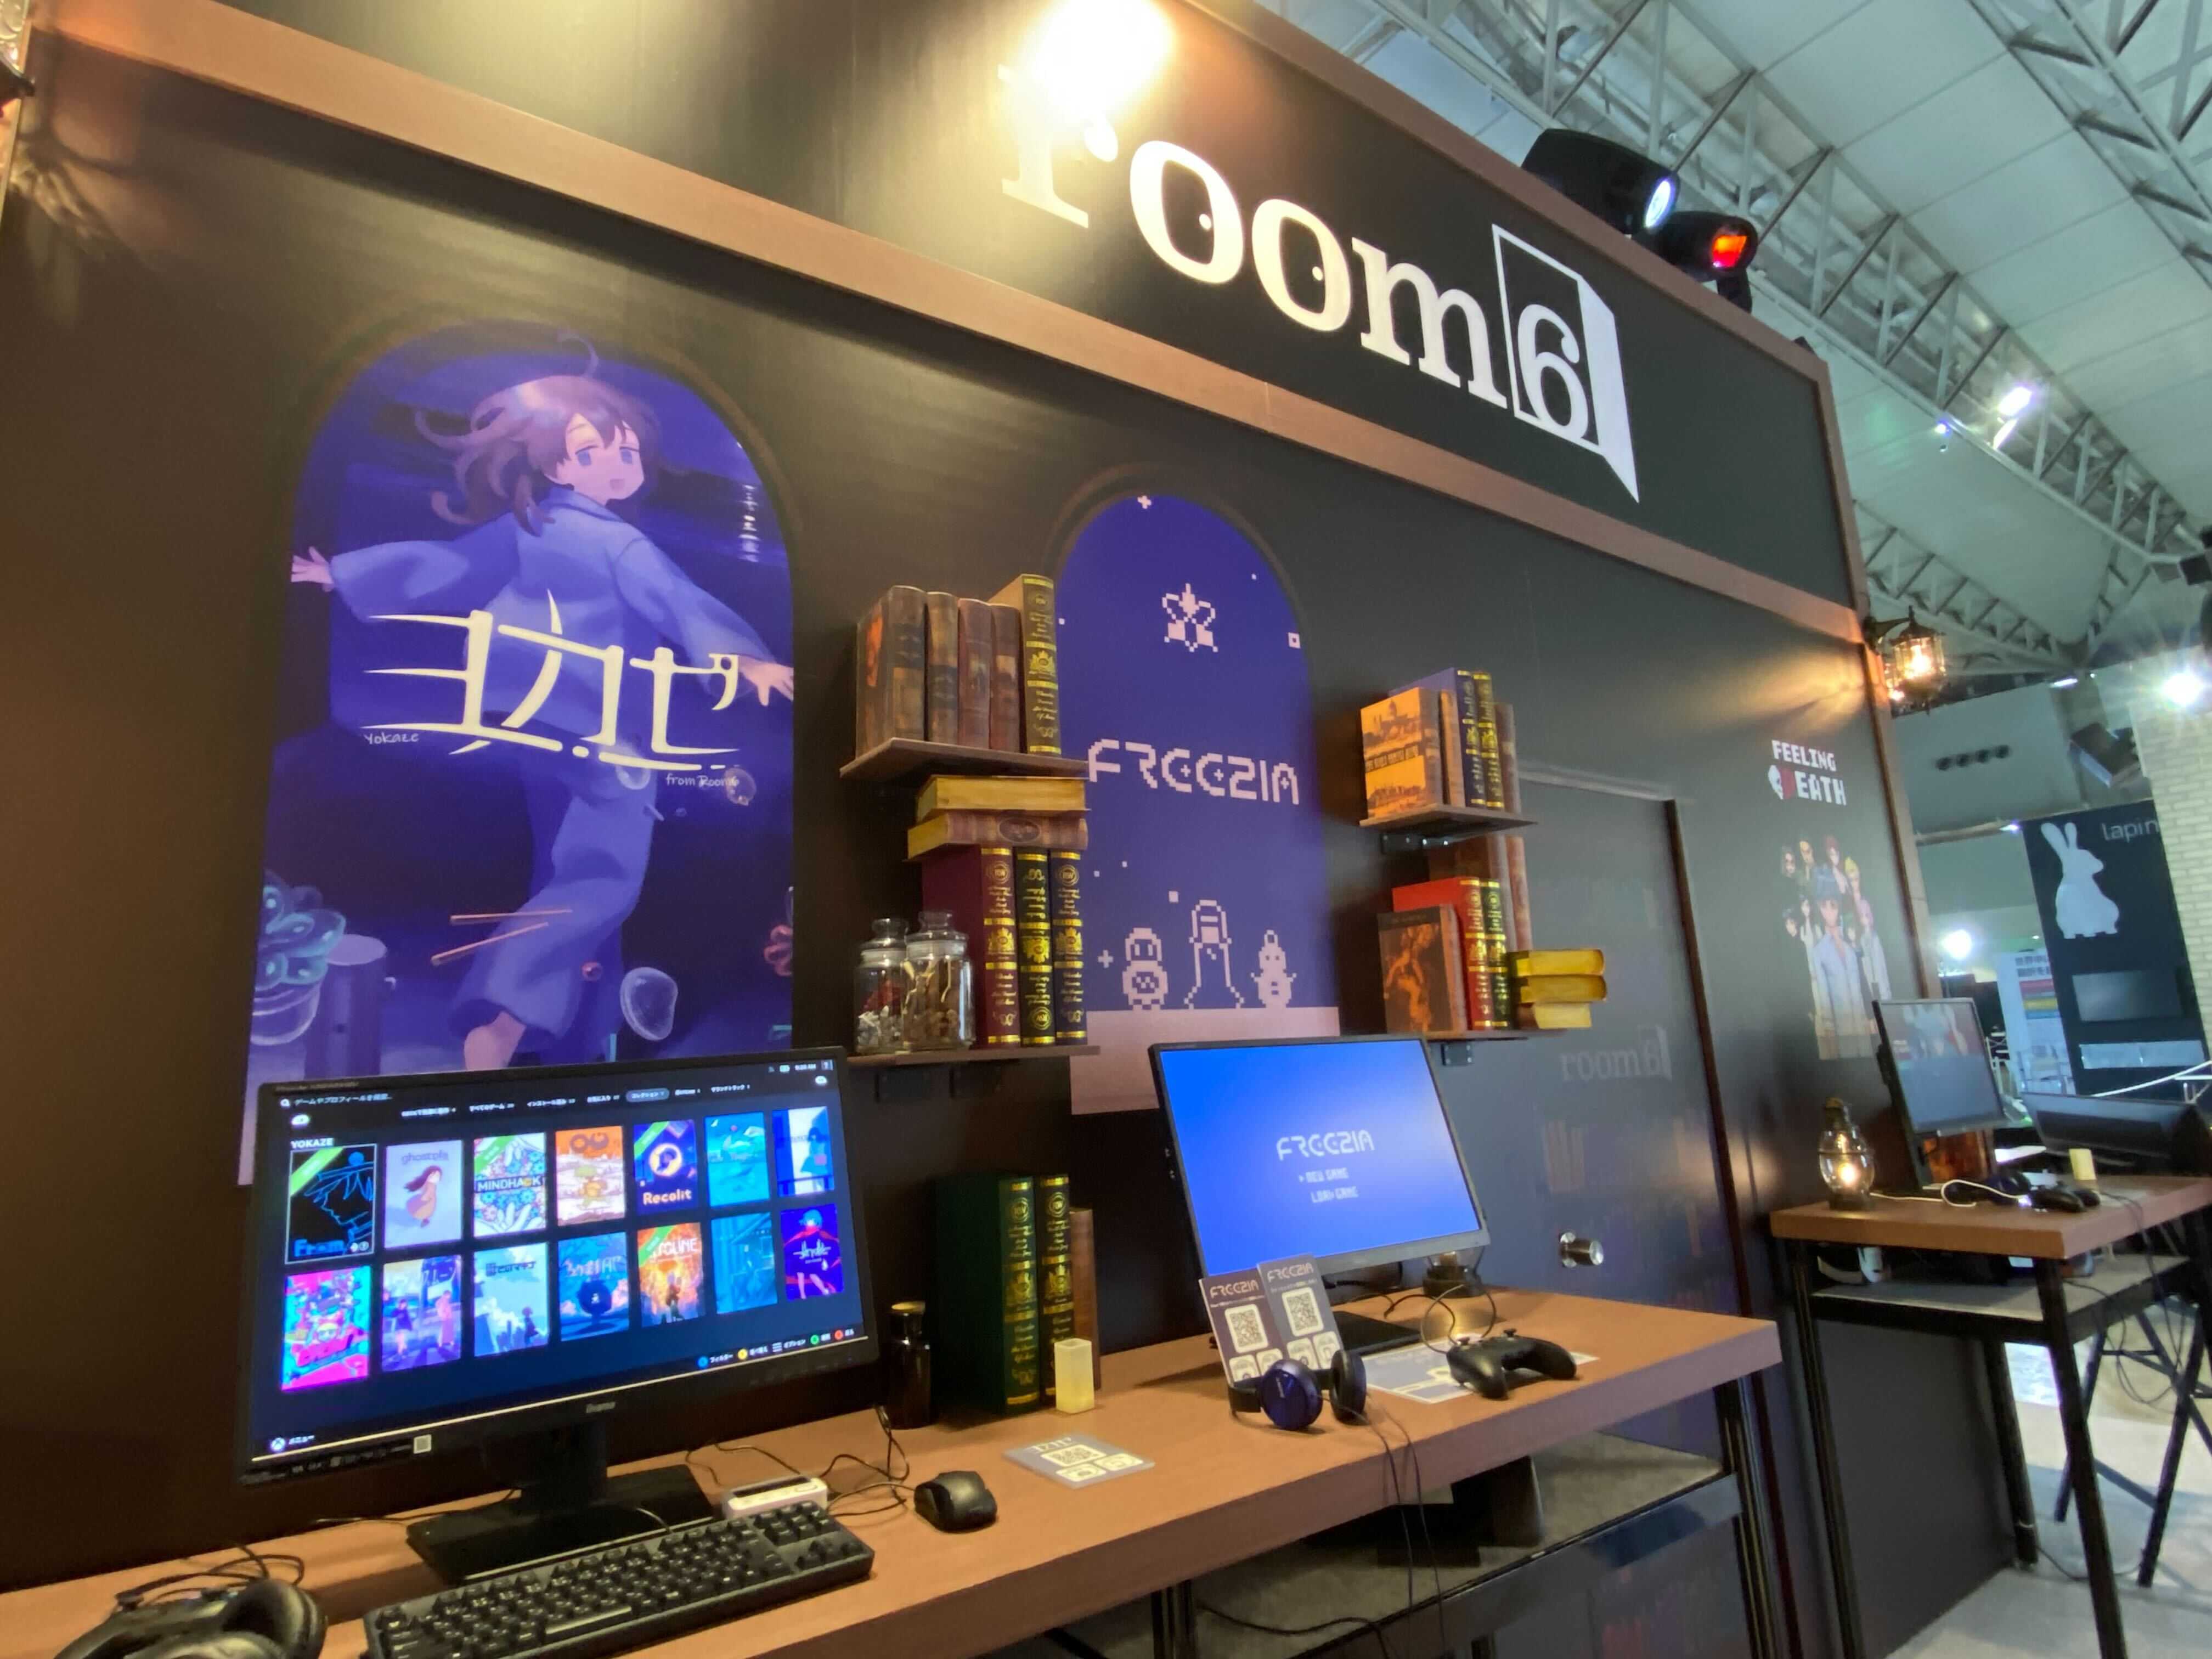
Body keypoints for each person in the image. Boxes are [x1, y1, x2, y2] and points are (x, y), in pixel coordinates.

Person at [292, 362, 791, 1070]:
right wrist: (743, 660)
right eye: (590, 452)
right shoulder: (618, 542)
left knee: (570, 867)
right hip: (598, 731)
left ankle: (585, 1045)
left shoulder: (530, 526)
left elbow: (449, 567)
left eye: (625, 451)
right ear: (553, 463)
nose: (616, 465)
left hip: (529, 720)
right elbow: (678, 601)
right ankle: (499, 1022)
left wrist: (344, 573)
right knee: (603, 875)